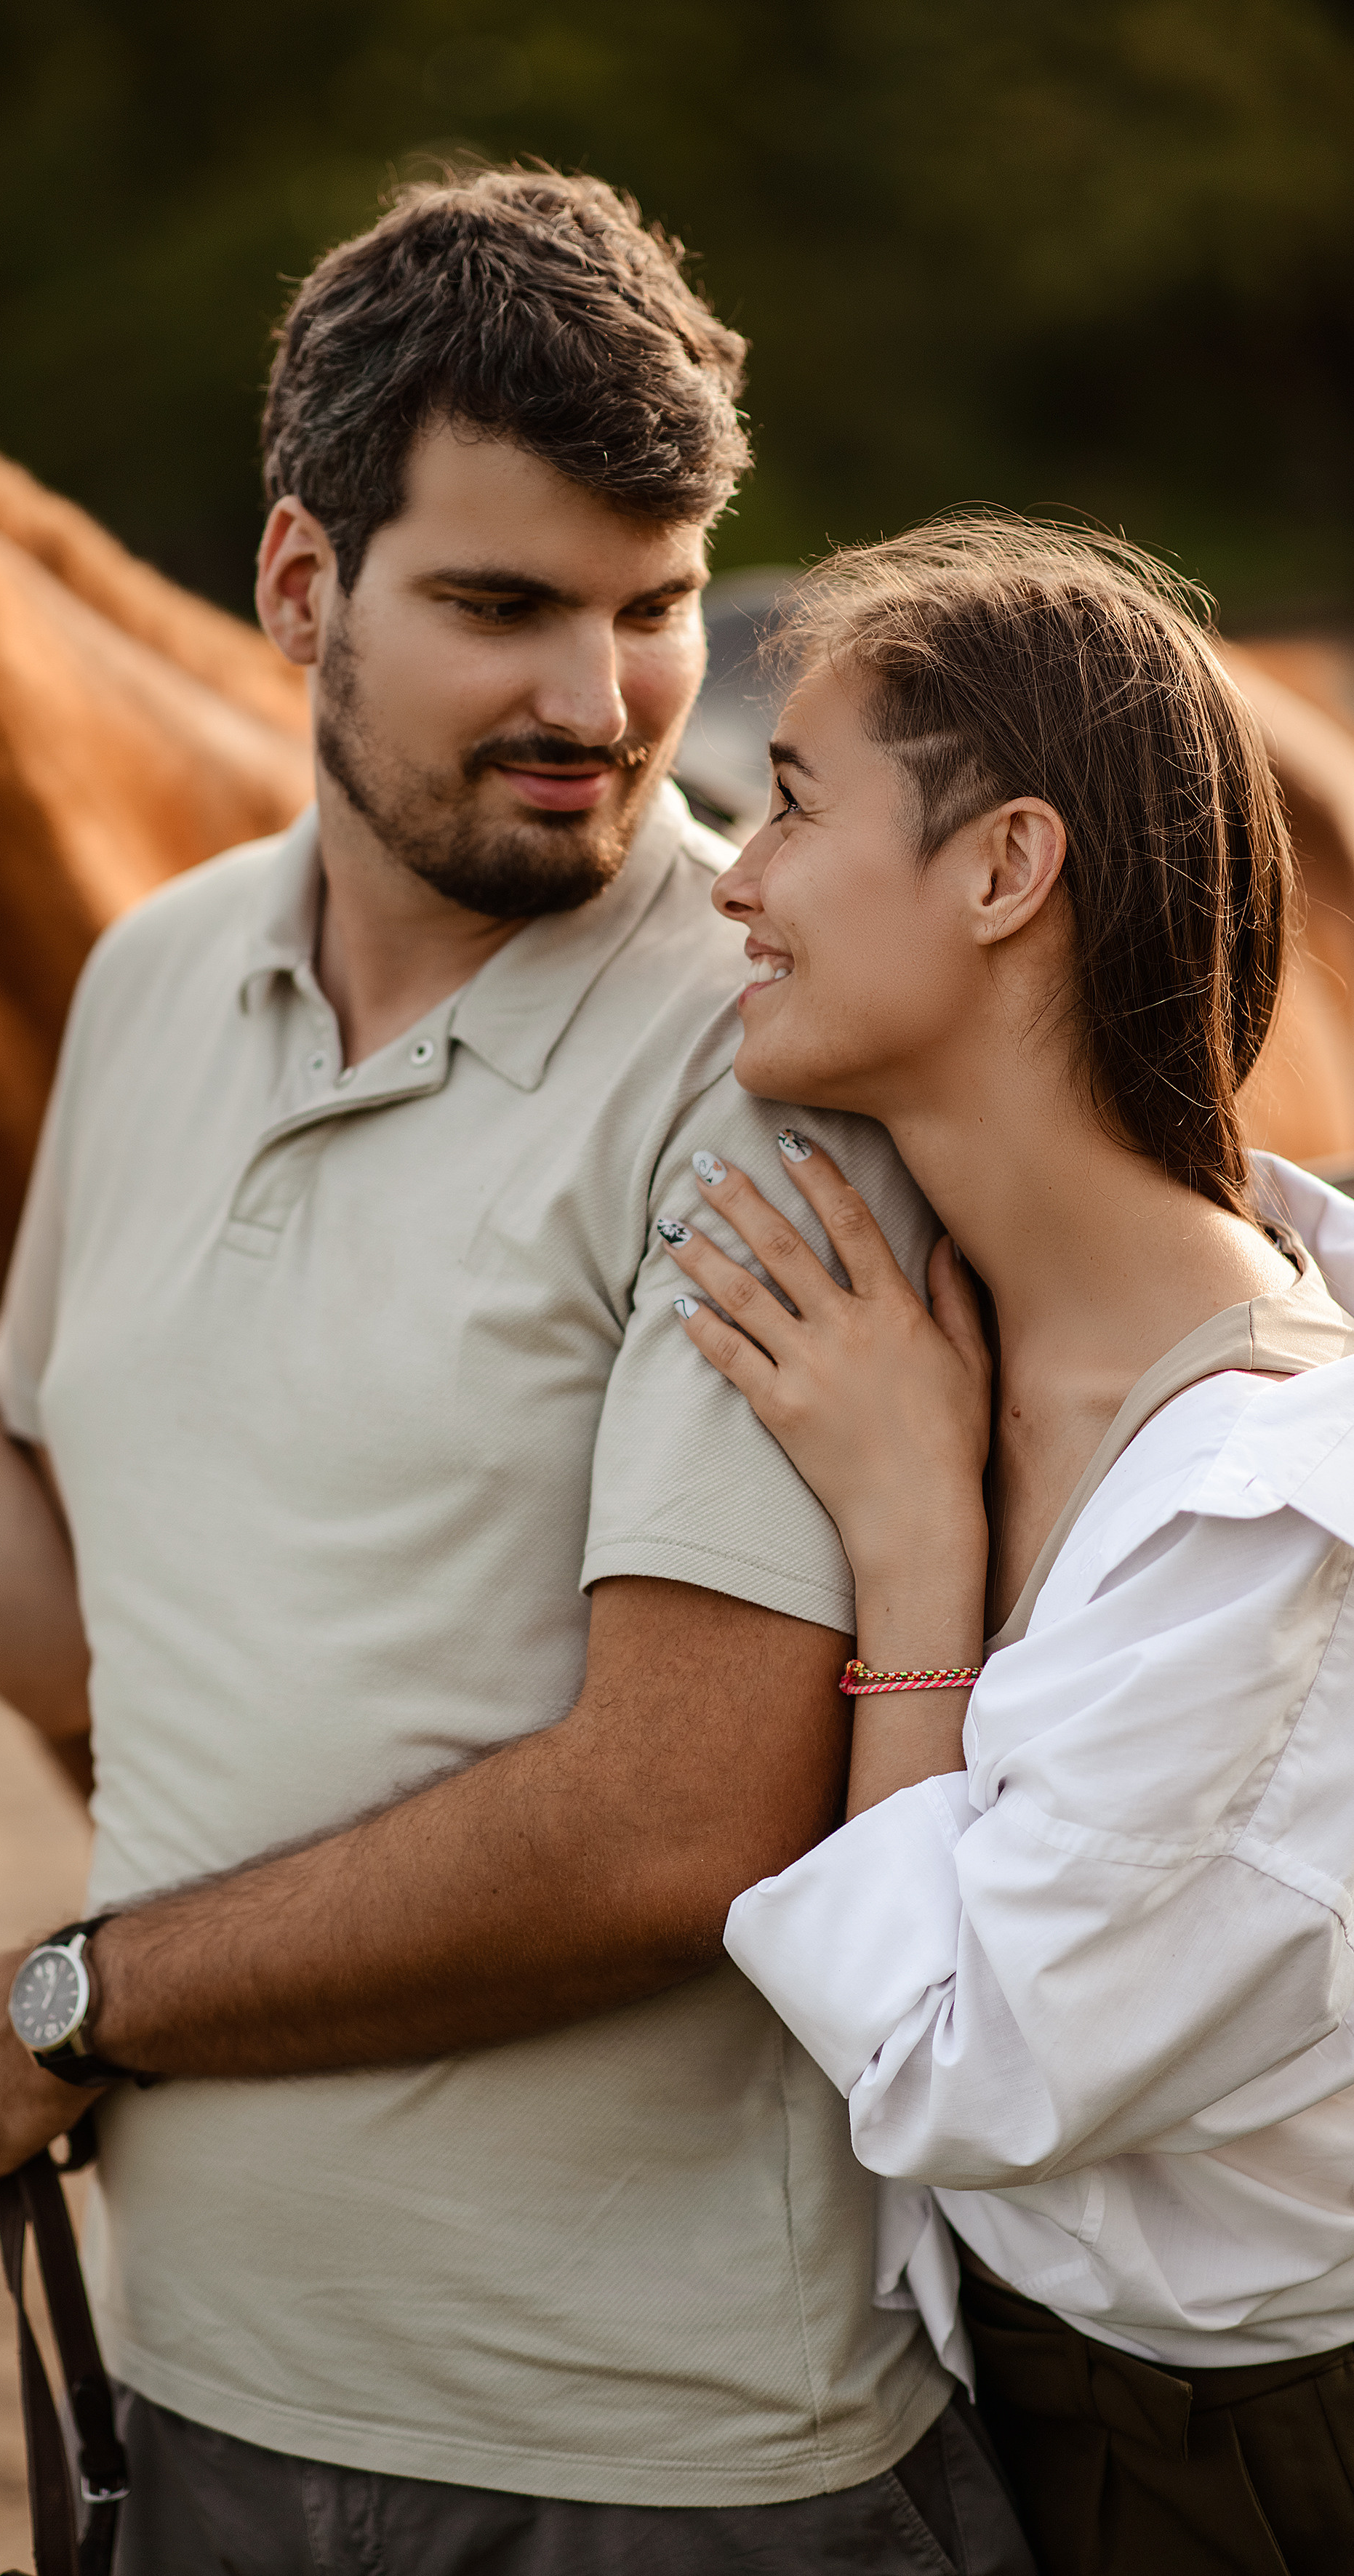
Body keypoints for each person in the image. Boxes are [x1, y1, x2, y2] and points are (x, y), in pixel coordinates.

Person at [0, 174, 1035, 2572]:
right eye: (498, 607)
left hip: (648, 2475)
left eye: (656, 606)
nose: (597, 705)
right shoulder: (158, 980)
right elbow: (91, 1609)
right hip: (182, 2401)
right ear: (302, 580)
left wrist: (75, 2002)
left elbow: (673, 1821)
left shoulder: (763, 1071)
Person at [655, 512, 1354, 2575]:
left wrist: (904, 1558)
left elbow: (964, 2066)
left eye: (786, 803)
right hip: (1038, 2401)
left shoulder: (1265, 1515)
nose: (737, 881)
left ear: (998, 870)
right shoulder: (990, 1328)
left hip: (1253, 2478)